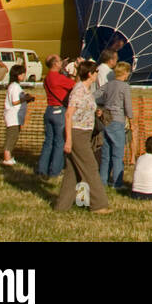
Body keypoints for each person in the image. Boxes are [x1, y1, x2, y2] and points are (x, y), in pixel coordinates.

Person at [54, 61, 111, 214]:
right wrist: (69, 140)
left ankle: (62, 206)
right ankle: (98, 205)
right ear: (90, 74)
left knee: (73, 171)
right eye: (95, 72)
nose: (97, 75)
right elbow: (68, 115)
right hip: (77, 133)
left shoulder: (85, 90)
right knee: (90, 167)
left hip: (84, 133)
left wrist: (96, 112)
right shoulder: (78, 90)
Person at [36, 54, 75, 178]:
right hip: (59, 111)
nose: (61, 62)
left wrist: (63, 69)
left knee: (48, 141)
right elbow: (75, 85)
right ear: (55, 64)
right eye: (59, 61)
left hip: (49, 110)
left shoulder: (47, 78)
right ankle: (55, 170)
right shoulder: (58, 78)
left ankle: (42, 168)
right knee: (59, 142)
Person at [96, 62, 134, 188]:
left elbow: (95, 96)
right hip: (118, 120)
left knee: (106, 154)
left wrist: (101, 108)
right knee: (118, 155)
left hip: (106, 119)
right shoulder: (125, 87)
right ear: (125, 73)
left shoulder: (108, 84)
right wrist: (131, 121)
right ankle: (117, 183)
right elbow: (128, 106)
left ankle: (103, 181)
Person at [1, 64, 32, 166]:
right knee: (11, 137)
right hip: (13, 117)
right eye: (23, 73)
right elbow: (15, 101)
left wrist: (27, 99)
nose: (24, 75)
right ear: (18, 75)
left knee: (14, 137)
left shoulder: (16, 86)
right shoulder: (14, 86)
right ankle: (7, 158)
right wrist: (25, 98)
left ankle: (9, 157)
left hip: (16, 117)